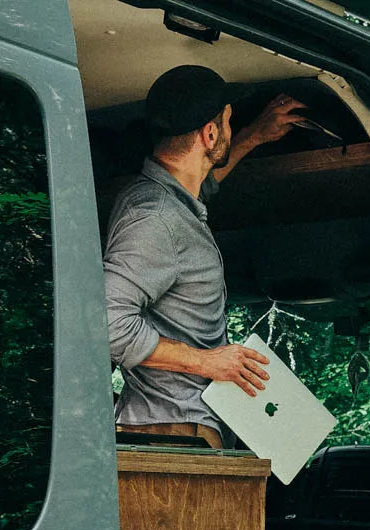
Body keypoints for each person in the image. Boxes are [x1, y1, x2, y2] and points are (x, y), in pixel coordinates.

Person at [104, 65, 305, 448]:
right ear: (210, 134)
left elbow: (200, 186)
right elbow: (106, 322)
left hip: (177, 433)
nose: (231, 129)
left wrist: (252, 136)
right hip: (171, 437)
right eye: (229, 122)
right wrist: (204, 361)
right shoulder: (154, 218)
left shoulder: (167, 201)